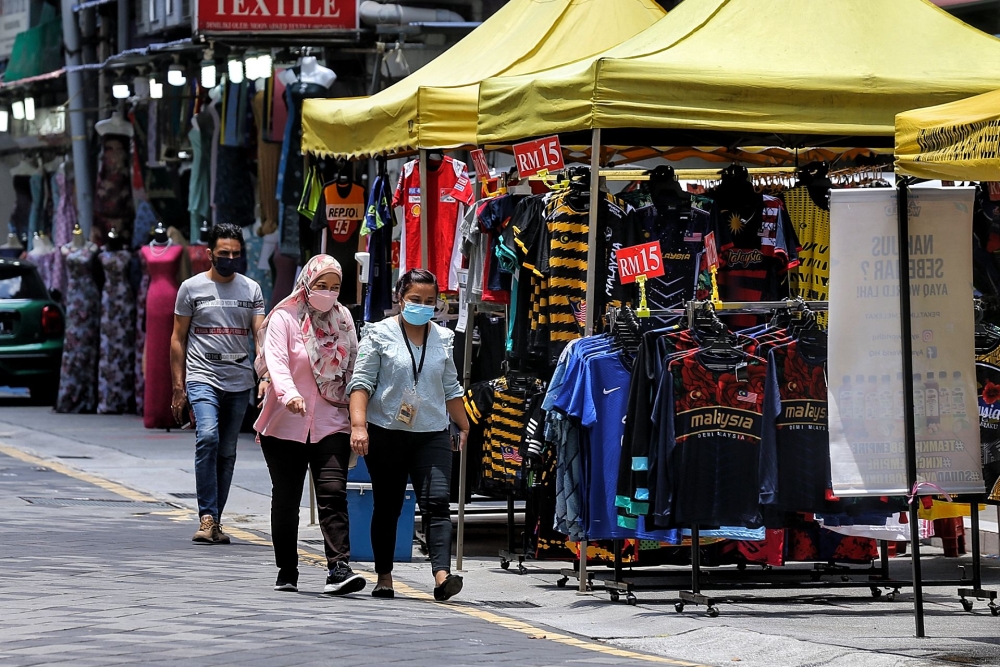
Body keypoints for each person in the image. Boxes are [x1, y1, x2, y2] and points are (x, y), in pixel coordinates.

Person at [348, 269, 470, 601]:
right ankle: (384, 575)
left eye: (430, 301)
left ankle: (442, 576)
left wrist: (465, 423)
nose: (423, 306)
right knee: (388, 505)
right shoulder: (378, 334)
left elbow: (450, 387)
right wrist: (359, 426)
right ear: (400, 298)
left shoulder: (443, 339)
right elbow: (360, 384)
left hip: (431, 432)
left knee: (437, 502)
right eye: (415, 300)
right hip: (386, 432)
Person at [254, 255, 365, 595]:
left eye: (335, 287)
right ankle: (287, 569)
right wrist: (287, 393)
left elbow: (353, 363)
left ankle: (338, 567)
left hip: (332, 421)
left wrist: (356, 413)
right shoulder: (284, 318)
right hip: (285, 423)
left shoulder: (342, 317)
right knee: (287, 499)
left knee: (333, 493)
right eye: (321, 285)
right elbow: (277, 360)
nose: (328, 293)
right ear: (306, 282)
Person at [170, 223, 265, 544]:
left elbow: (260, 334)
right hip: (202, 376)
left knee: (227, 451)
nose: (230, 258)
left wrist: (265, 375)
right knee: (208, 437)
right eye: (224, 253)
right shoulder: (190, 288)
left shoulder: (251, 289)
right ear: (210, 254)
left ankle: (215, 520)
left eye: (236, 254)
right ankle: (206, 516)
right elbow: (178, 338)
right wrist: (178, 387)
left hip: (239, 380)